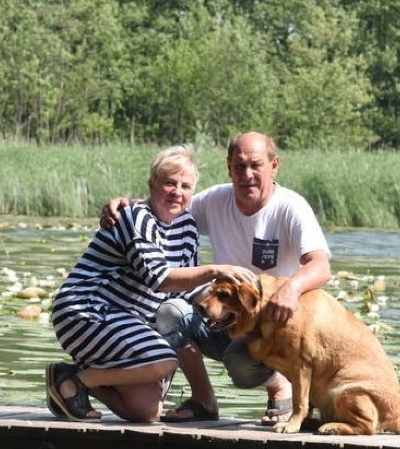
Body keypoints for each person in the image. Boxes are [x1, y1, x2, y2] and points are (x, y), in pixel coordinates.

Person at [101, 132, 331, 424]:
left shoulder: (291, 207)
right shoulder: (215, 200)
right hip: (228, 318)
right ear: (228, 167)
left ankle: (281, 386)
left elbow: (321, 266)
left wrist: (290, 289)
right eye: (239, 166)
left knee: (240, 365)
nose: (246, 175)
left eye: (256, 165)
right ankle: (203, 400)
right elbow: (171, 203)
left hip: (274, 328)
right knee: (171, 313)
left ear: (274, 166)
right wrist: (126, 206)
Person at [47, 144, 257, 423]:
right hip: (86, 310)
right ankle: (75, 379)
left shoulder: (187, 225)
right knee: (164, 360)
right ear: (152, 184)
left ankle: (77, 384)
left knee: (145, 411)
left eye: (185, 186)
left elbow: (188, 288)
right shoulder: (136, 218)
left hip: (127, 323)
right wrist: (216, 270)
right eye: (169, 183)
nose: (177, 192)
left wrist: (237, 309)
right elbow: (159, 279)